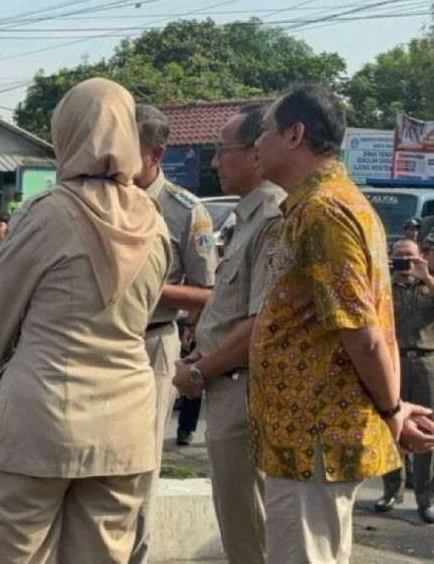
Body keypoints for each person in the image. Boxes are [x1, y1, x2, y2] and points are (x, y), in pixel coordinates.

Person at [0, 78, 170, 563]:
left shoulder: (46, 213)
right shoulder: (156, 220)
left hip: (39, 417)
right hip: (126, 424)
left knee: (11, 553)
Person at [249, 84, 434, 563]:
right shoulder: (329, 204)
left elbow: (363, 333)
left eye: (265, 131)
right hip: (310, 439)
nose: (256, 143)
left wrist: (392, 409)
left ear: (295, 135)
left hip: (314, 439)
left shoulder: (324, 211)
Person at [171, 103, 286, 564]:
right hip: (227, 387)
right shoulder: (249, 216)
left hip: (244, 390)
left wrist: (199, 372)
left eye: (224, 151)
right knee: (238, 523)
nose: (217, 163)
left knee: (249, 531)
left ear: (257, 153)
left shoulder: (273, 216)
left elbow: (263, 321)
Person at [129, 103, 217, 564]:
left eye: (128, 145)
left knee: (141, 463)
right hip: (96, 343)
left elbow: (207, 294)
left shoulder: (186, 210)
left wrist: (143, 285)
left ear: (155, 153)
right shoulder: (100, 196)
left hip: (151, 342)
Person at [377, 236, 434, 523]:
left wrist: (429, 278)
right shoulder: (384, 285)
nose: (405, 261)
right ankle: (391, 491)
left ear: (420, 257)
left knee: (427, 430)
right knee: (391, 428)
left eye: (410, 255)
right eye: (399, 255)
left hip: (426, 362)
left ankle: (426, 499)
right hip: (393, 362)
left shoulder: (429, 286)